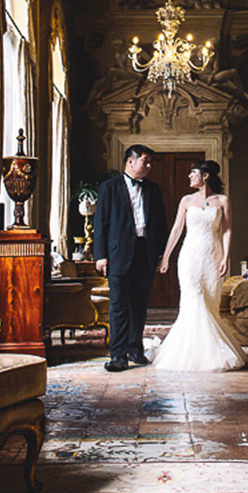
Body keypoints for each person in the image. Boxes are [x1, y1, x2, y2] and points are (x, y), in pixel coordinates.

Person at [149, 160, 247, 373]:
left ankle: (210, 353)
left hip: (213, 255)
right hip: (190, 256)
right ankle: (188, 355)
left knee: (210, 303)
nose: (189, 177)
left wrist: (226, 257)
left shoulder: (222, 201)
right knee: (193, 300)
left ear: (206, 176)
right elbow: (176, 230)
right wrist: (165, 257)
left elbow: (228, 230)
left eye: (193, 173)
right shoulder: (186, 201)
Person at [93, 144, 168, 372]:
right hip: (118, 255)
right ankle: (118, 356)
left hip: (144, 252)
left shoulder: (153, 189)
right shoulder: (109, 188)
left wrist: (160, 254)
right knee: (119, 306)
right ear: (130, 162)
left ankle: (135, 349)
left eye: (149, 162)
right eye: (145, 161)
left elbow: (160, 224)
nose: (148, 166)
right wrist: (101, 256)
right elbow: (100, 223)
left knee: (139, 305)